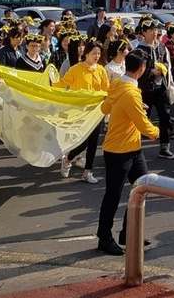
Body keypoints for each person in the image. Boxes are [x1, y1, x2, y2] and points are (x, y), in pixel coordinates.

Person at [95, 50, 160, 256]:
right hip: (119, 151)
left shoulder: (120, 85)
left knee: (142, 189)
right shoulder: (129, 91)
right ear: (141, 69)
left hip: (131, 148)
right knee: (113, 195)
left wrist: (132, 109)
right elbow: (145, 126)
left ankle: (128, 232)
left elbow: (106, 108)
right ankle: (104, 237)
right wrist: (158, 131)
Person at [55, 40, 110, 183]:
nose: (97, 56)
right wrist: (48, 88)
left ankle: (88, 172)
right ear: (86, 54)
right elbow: (62, 84)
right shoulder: (75, 69)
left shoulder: (101, 70)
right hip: (80, 111)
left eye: (98, 53)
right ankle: (69, 158)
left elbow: (107, 89)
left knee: (93, 141)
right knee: (82, 140)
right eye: (94, 53)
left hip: (97, 111)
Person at [136, 19, 174, 160]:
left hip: (160, 87)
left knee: (165, 116)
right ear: (144, 33)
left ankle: (165, 146)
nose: (154, 33)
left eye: (156, 30)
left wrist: (163, 72)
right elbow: (136, 71)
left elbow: (167, 63)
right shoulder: (139, 50)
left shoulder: (161, 47)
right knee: (142, 118)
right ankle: (135, 147)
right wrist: (150, 72)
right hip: (145, 88)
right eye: (151, 30)